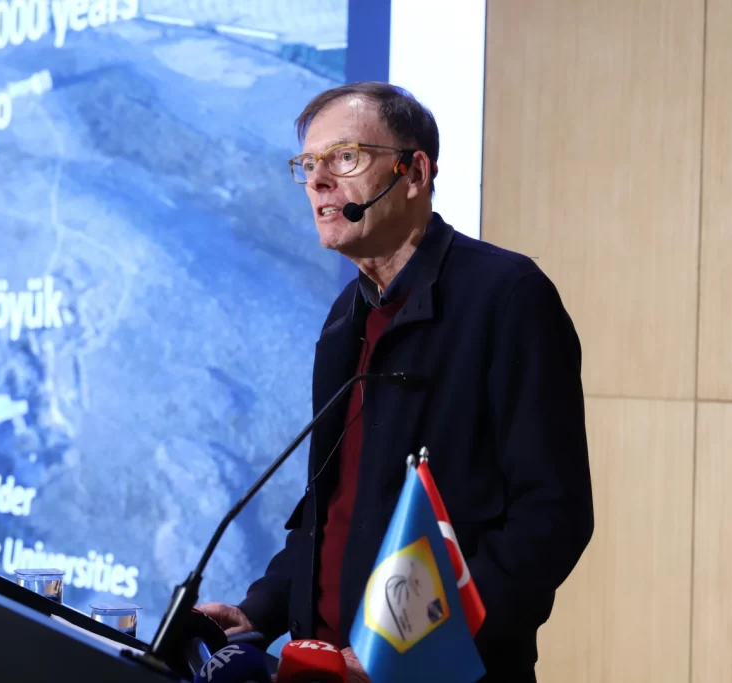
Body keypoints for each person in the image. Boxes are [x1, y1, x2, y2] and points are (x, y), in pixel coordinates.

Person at [198, 82, 594, 682]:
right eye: (308, 164)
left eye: (344, 157)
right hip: (325, 669)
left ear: (415, 173)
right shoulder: (346, 317)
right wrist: (259, 609)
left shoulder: (507, 297)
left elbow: (551, 518)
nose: (318, 181)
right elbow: (331, 513)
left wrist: (407, 648)